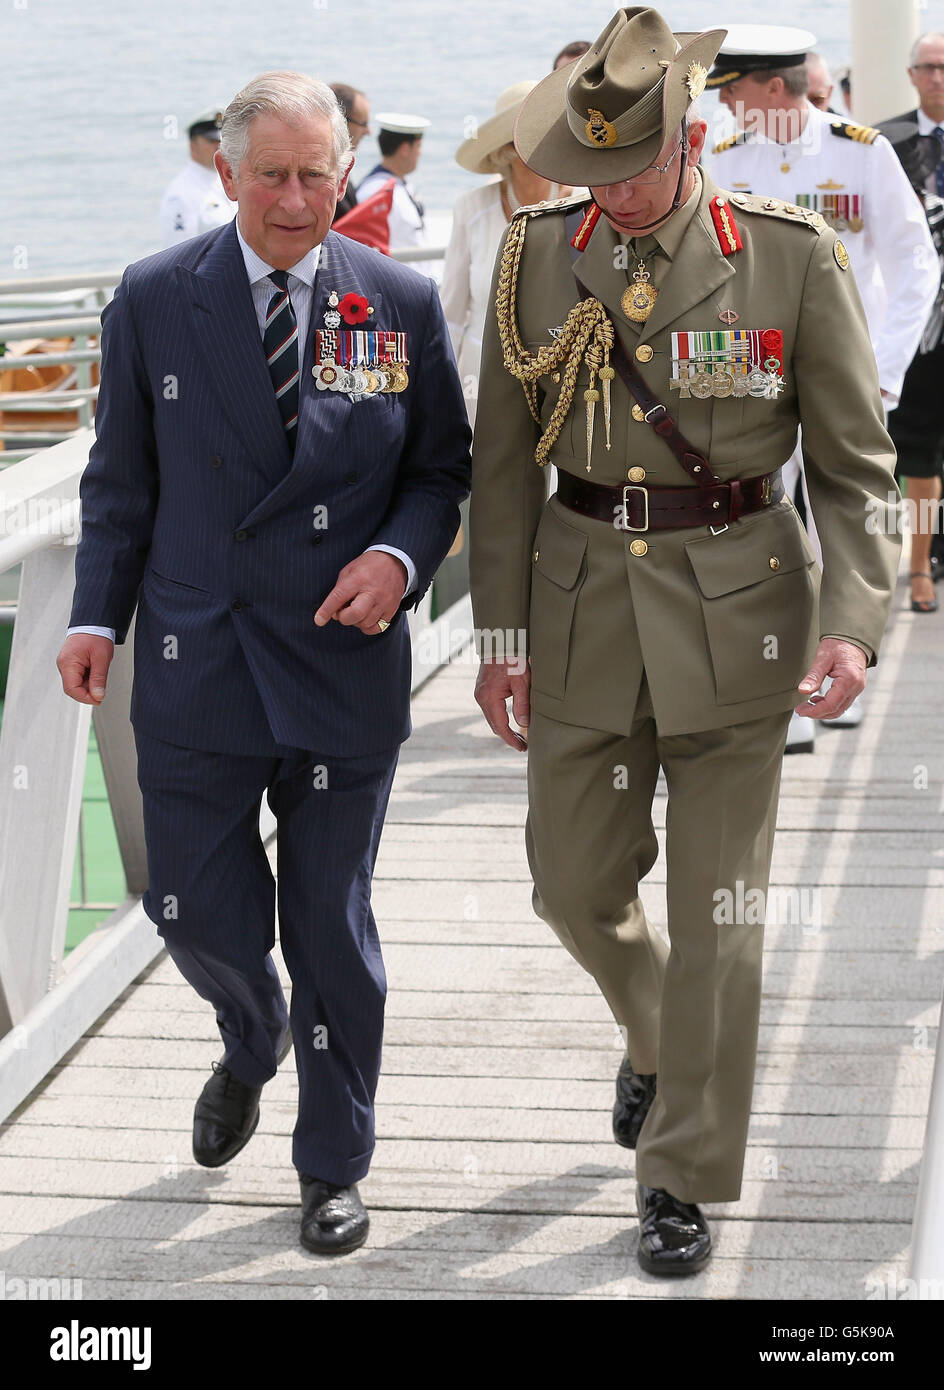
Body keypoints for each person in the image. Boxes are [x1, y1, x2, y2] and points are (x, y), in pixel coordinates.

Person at [469, 5, 900, 1277]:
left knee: (723, 919)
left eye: (632, 169)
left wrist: (855, 620)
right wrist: (498, 633)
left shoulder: (789, 255)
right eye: (588, 171)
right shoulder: (534, 257)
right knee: (570, 883)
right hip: (579, 605)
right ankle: (659, 1043)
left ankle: (681, 1173)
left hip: (737, 617)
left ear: (693, 134)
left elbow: (854, 465)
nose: (606, 194)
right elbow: (500, 472)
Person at [57, 71, 471, 1258]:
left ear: (344, 173)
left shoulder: (393, 297)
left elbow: (438, 469)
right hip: (199, 657)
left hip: (343, 658)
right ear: (225, 172)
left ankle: (333, 1163)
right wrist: (95, 616)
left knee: (330, 927)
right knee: (198, 914)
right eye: (271, 174)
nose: (295, 200)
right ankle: (249, 1035)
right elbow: (119, 482)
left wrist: (398, 557)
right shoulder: (150, 299)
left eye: (316, 175)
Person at [705, 24, 938, 738]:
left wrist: (886, 371)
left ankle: (843, 669)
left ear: (775, 88)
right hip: (745, 378)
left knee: (843, 522)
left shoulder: (858, 154)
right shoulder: (720, 158)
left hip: (842, 376)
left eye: (734, 91)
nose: (727, 107)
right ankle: (784, 688)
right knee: (764, 526)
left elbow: (914, 263)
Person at [441, 81, 561, 422]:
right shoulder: (471, 208)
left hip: (566, 381)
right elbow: (451, 312)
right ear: (506, 149)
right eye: (529, 140)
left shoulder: (582, 205)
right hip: (480, 381)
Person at [878, 33, 944, 612]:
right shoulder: (886, 141)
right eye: (928, 68)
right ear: (912, 73)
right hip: (915, 325)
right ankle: (918, 567)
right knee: (913, 451)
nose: (938, 77)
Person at [356, 113, 433, 274]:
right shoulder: (376, 192)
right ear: (405, 149)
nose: (420, 153)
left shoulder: (399, 186)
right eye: (418, 146)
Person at [159, 107, 236, 246]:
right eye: (212, 141)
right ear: (193, 144)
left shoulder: (232, 180)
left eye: (222, 140)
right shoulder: (181, 194)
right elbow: (178, 254)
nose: (219, 146)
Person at [330, 83, 370, 221]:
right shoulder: (326, 173)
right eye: (363, 123)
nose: (368, 131)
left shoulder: (339, 166)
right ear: (341, 121)